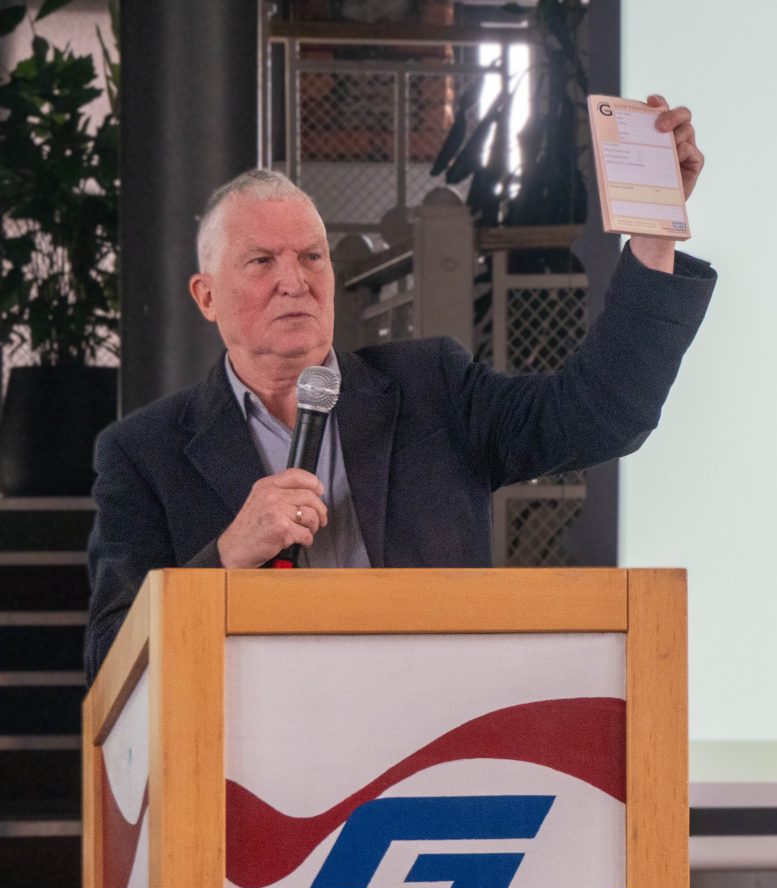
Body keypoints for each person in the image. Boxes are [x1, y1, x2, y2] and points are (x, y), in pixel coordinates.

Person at [84, 96, 716, 683]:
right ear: (206, 295)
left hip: (432, 745)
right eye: (261, 261)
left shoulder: (431, 388)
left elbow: (600, 416)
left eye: (312, 257)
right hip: (253, 772)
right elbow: (112, 658)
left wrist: (655, 237)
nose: (295, 281)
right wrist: (226, 556)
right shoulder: (144, 453)